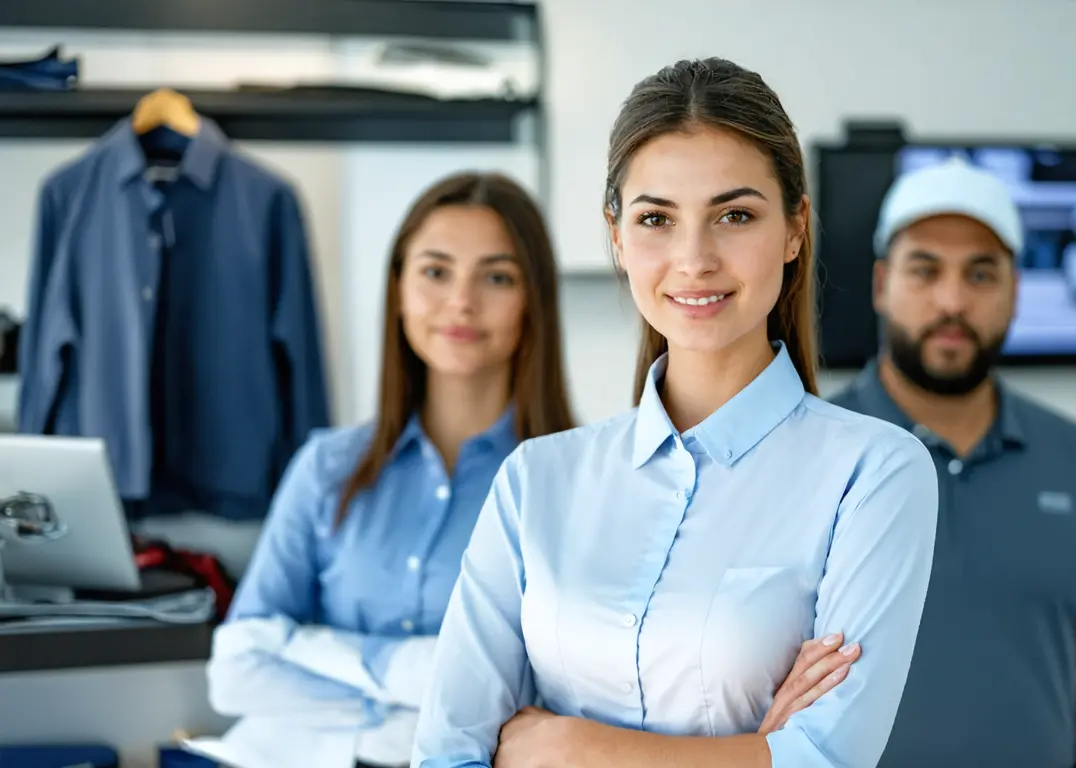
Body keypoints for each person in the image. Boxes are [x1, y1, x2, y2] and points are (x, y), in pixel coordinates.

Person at [411, 57, 940, 768]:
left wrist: (564, 747)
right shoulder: (537, 480)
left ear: (794, 229)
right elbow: (448, 753)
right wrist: (753, 752)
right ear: (619, 238)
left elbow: (827, 760)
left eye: (735, 215)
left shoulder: (873, 473)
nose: (694, 259)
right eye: (657, 218)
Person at [203, 172, 578, 768]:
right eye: (435, 271)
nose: (461, 301)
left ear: (534, 299)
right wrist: (415, 701)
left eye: (497, 277)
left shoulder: (577, 482)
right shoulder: (326, 469)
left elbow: (559, 695)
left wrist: (320, 654)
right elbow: (239, 672)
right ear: (399, 287)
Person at [829, 156, 1076, 768]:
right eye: (925, 271)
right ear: (883, 285)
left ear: (1015, 290)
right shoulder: (807, 453)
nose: (952, 301)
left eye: (981, 275)